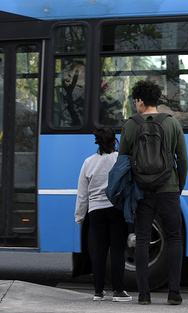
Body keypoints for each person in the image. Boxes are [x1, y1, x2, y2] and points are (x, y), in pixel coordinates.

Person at [119, 80, 188, 305]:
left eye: (135, 101)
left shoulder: (130, 124)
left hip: (142, 190)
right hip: (168, 189)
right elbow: (183, 159)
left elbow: (123, 162)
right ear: (156, 100)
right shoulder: (172, 124)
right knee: (174, 238)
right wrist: (178, 187)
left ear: (140, 101)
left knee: (142, 240)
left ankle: (144, 296)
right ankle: (174, 294)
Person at [74, 128, 132, 302]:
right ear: (115, 142)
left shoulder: (88, 162)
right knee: (116, 251)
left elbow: (82, 194)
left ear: (97, 143)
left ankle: (98, 292)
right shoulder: (118, 159)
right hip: (115, 210)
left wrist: (79, 216)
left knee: (99, 251)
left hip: (95, 212)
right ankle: (118, 291)